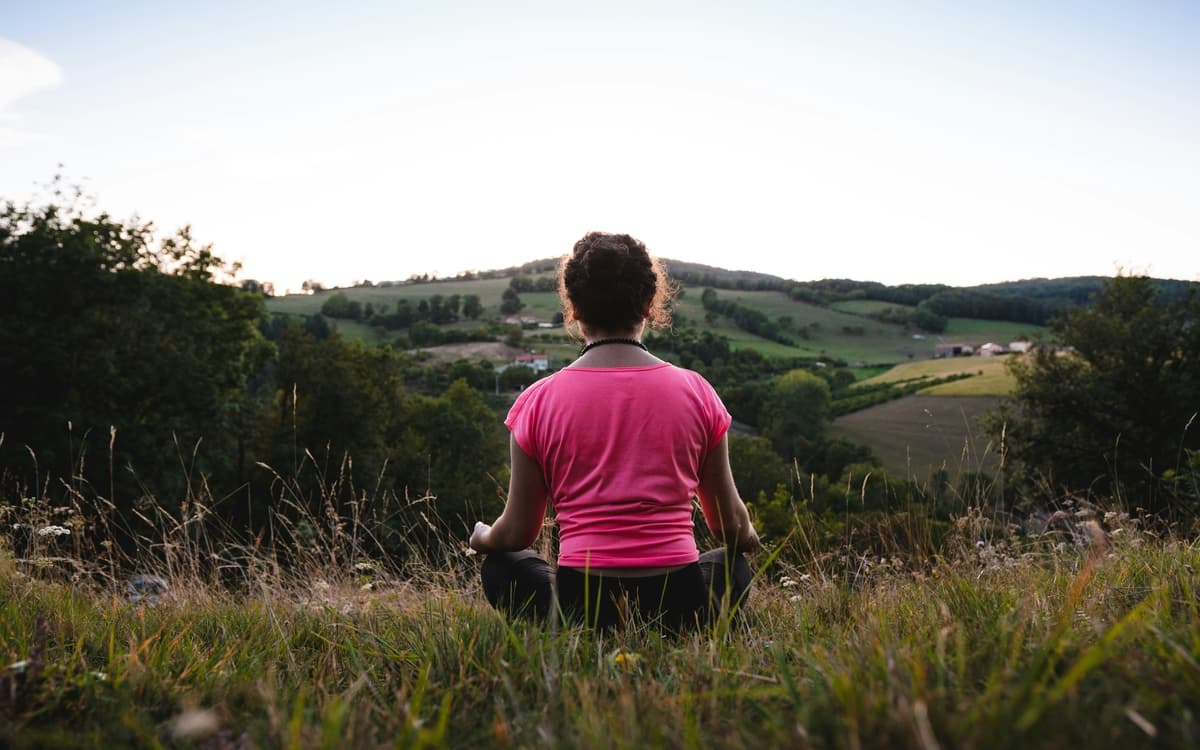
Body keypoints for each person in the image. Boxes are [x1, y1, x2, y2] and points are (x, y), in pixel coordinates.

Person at [469, 231, 760, 632]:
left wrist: (482, 538)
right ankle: (673, 629)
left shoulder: (537, 401)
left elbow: (518, 532)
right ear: (649, 304)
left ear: (572, 308)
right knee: (732, 565)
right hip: (680, 605)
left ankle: (584, 631)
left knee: (502, 565)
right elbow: (729, 526)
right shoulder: (697, 392)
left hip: (582, 606)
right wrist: (747, 537)